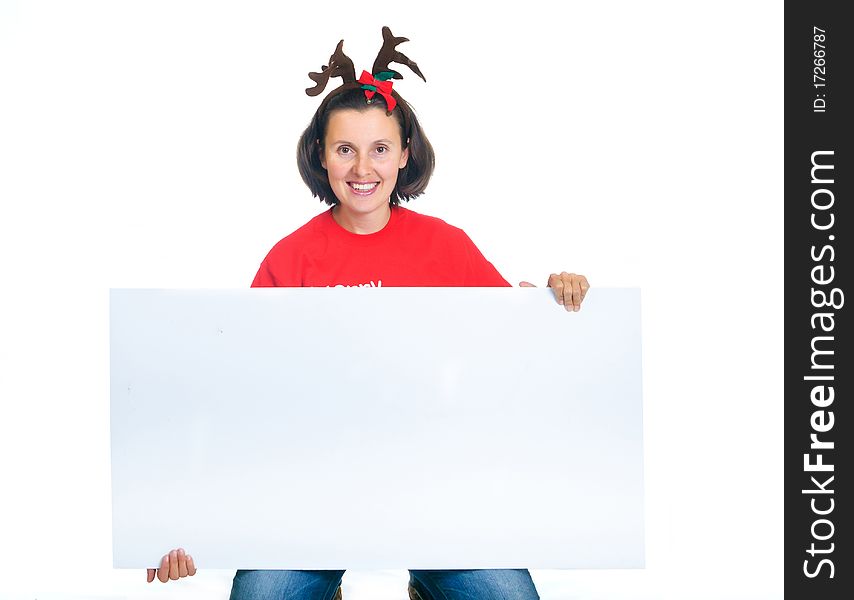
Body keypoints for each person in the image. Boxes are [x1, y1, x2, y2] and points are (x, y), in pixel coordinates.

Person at [146, 26, 589, 599]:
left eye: (380, 148)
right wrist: (172, 525)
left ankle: (426, 585)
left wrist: (555, 299)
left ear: (405, 155)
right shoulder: (291, 258)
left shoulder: (446, 247)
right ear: (321, 156)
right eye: (345, 148)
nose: (363, 167)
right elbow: (237, 395)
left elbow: (509, 344)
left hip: (437, 491)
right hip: (310, 497)